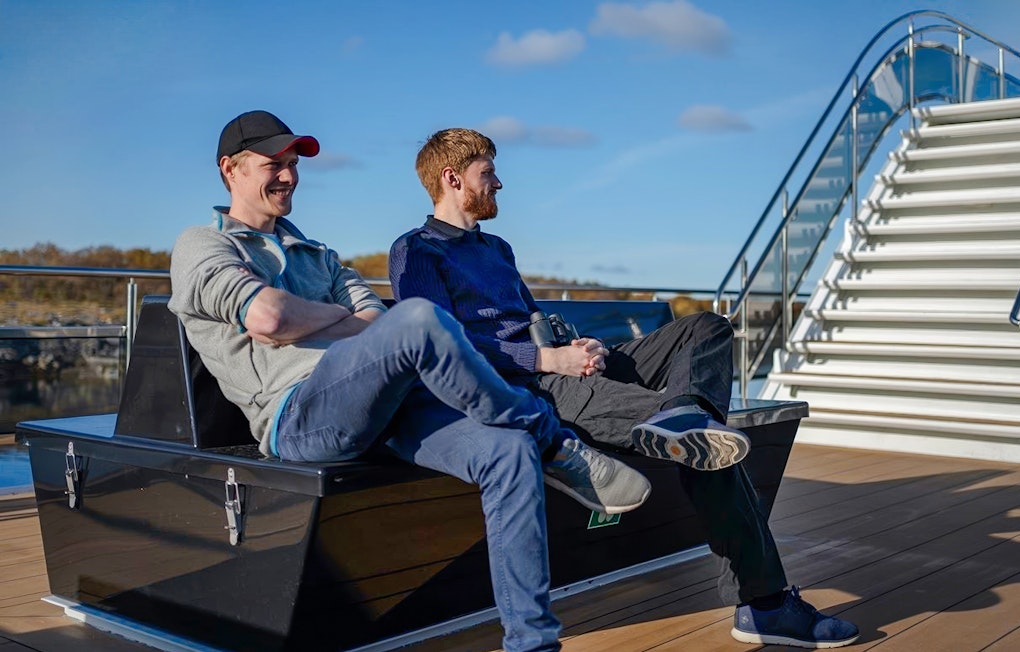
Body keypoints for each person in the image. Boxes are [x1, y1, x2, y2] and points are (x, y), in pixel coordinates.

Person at [168, 111, 653, 652]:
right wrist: (333, 317)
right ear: (229, 169)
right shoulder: (203, 246)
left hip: (385, 402)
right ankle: (556, 443)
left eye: (292, 164)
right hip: (298, 414)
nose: (288, 176)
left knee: (508, 452)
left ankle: (532, 643)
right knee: (421, 317)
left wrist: (321, 318)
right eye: (272, 165)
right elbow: (269, 319)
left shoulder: (321, 255)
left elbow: (373, 320)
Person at [389, 127, 861, 649]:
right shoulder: (418, 252)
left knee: (706, 328)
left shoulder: (497, 248)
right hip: (529, 389)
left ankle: (684, 414)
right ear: (453, 179)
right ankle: (766, 604)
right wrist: (546, 358)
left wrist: (576, 344)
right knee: (711, 449)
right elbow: (444, 348)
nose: (499, 183)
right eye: (488, 173)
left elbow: (529, 317)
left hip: (564, 366)